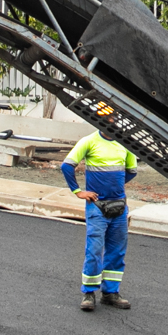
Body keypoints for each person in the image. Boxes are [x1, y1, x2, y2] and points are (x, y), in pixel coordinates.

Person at [62, 131, 137, 312]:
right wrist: (78, 191)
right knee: (94, 250)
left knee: (117, 251)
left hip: (119, 206)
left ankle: (110, 293)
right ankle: (89, 293)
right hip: (96, 206)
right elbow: (66, 166)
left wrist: (114, 186)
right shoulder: (88, 141)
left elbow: (132, 171)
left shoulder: (125, 144)